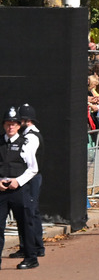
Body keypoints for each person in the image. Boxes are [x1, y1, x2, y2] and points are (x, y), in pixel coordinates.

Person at [0, 106, 40, 267]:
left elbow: (33, 168)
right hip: (1, 191)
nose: (10, 127)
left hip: (19, 190)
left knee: (25, 224)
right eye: (8, 124)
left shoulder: (26, 143)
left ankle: (31, 258)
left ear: (18, 126)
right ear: (4, 125)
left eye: (14, 124)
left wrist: (18, 181)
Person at [13, 103, 44, 261]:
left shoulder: (31, 137)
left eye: (20, 120)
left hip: (30, 178)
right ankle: (27, 246)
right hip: (28, 177)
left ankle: (34, 247)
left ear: (27, 120)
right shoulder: (28, 135)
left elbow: (27, 161)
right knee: (27, 212)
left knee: (30, 212)